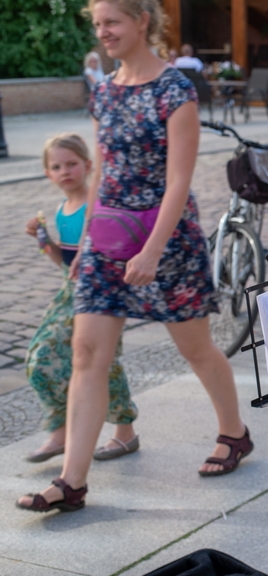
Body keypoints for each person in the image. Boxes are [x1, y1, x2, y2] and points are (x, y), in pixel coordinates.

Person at [17, 0, 253, 513]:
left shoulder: (174, 89)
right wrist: (88, 247)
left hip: (166, 240)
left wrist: (152, 250)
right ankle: (71, 481)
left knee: (195, 348)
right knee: (87, 354)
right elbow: (102, 171)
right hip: (109, 240)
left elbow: (179, 180)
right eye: (97, 24)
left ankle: (234, 433)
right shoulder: (103, 89)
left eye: (112, 22)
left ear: (142, 21)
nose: (102, 32)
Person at [23, 134, 139, 465]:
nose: (65, 171)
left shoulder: (96, 203)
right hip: (70, 291)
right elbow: (65, 262)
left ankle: (125, 432)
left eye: (72, 164)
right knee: (41, 356)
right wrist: (44, 240)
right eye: (56, 166)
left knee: (105, 361)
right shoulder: (61, 210)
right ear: (48, 173)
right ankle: (60, 430)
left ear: (88, 166)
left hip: (103, 291)